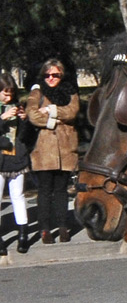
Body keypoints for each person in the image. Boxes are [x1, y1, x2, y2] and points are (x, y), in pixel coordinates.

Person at [26, 58, 80, 243]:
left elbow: (73, 111)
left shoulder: (70, 91)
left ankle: (63, 226)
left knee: (61, 191)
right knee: (44, 190)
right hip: (43, 150)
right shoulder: (37, 91)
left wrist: (51, 109)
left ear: (61, 75)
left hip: (66, 148)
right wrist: (51, 121)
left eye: (55, 75)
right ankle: (44, 229)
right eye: (47, 75)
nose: (51, 78)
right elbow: (32, 114)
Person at [0, 72, 30, 254]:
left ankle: (23, 235)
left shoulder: (16, 106)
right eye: (4, 93)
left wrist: (24, 120)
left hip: (16, 157)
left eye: (10, 93)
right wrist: (2, 118)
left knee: (18, 196)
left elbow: (25, 136)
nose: (7, 97)